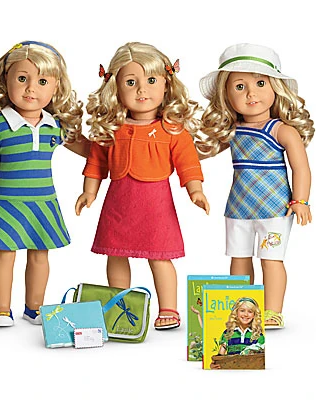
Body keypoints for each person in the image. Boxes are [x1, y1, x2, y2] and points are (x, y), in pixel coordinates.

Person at [75, 42, 209, 330]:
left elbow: (187, 163)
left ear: (166, 85)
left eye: (151, 81)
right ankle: (119, 303)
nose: (141, 90)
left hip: (156, 207)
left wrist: (195, 190)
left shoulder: (172, 130)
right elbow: (96, 162)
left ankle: (169, 308)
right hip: (118, 205)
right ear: (115, 88)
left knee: (160, 257)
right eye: (131, 82)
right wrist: (89, 191)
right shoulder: (112, 128)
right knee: (115, 254)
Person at [0, 41, 91, 327]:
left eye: (42, 81)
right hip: (6, 203)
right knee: (4, 255)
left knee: (40, 256)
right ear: (5, 80)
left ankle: (34, 308)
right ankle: (1, 309)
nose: (31, 88)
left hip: (42, 204)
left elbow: (86, 149)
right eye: (22, 79)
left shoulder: (54, 125)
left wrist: (115, 151)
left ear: (56, 87)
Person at [197, 43, 314, 328]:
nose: (251, 93)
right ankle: (241, 311)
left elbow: (301, 167)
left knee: (271, 260)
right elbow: (202, 152)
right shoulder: (232, 131)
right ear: (226, 95)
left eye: (260, 83)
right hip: (238, 207)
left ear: (275, 87)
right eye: (240, 86)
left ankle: (272, 311)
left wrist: (301, 200)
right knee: (238, 259)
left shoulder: (282, 130)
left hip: (275, 209)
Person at [210, 297, 265, 369]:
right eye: (242, 310)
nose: (246, 314)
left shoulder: (258, 335)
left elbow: (263, 360)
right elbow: (220, 357)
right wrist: (214, 365)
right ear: (236, 312)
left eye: (250, 311)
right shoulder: (228, 333)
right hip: (231, 370)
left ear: (254, 315)